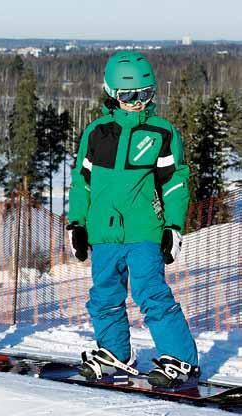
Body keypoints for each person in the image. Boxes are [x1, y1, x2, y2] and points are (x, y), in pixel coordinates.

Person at [68, 51, 199, 388]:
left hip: (145, 230)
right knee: (104, 297)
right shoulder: (96, 133)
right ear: (112, 93)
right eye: (128, 96)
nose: (137, 103)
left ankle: (182, 360)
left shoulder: (161, 133)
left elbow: (175, 182)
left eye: (145, 95)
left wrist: (173, 226)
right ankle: (116, 354)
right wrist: (76, 223)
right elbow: (81, 183)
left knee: (152, 294)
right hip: (103, 233)